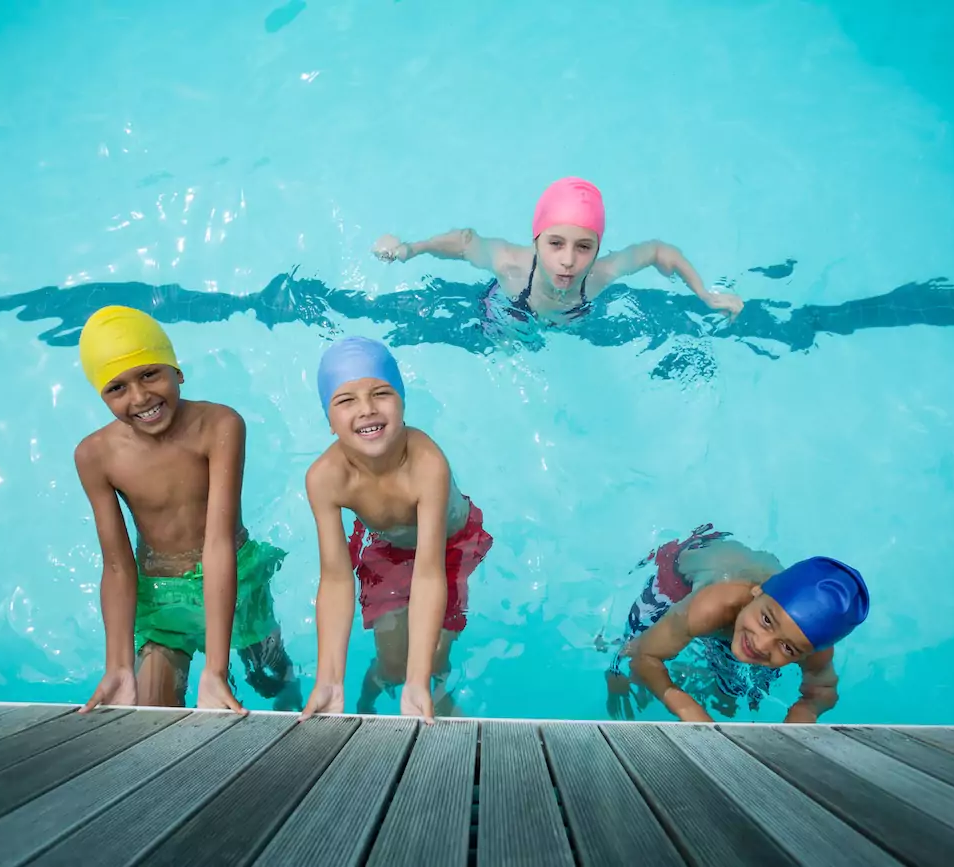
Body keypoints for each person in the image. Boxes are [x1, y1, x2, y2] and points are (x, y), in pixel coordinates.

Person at [73, 305, 300, 714]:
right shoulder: (95, 456)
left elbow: (218, 543)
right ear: (101, 396)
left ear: (177, 370)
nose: (140, 397)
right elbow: (118, 566)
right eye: (116, 388)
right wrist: (117, 665)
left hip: (234, 575)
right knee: (152, 709)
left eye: (149, 374)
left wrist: (215, 668)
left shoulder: (219, 425)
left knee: (272, 680)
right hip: (160, 597)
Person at [300, 337, 493, 723]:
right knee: (391, 665)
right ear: (329, 419)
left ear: (403, 402)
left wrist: (418, 680)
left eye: (381, 393)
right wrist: (329, 677)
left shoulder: (425, 464)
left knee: (432, 658)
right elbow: (337, 579)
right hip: (385, 545)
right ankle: (369, 687)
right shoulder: (326, 478)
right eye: (345, 400)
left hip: (449, 546)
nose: (367, 410)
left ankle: (431, 694)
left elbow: (428, 572)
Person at [372, 176, 744, 323]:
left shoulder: (601, 274)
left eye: (584, 247)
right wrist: (408, 249)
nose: (568, 260)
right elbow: (464, 241)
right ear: (536, 239)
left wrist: (705, 295)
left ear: (598, 248)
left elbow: (660, 251)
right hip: (507, 317)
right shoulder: (511, 265)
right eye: (555, 244)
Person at [602, 524, 868, 723]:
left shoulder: (814, 640)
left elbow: (823, 692)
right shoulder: (711, 606)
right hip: (680, 577)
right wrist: (688, 708)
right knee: (630, 648)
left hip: (752, 596)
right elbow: (644, 656)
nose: (762, 644)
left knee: (731, 696)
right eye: (767, 620)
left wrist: (796, 725)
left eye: (789, 648)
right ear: (757, 592)